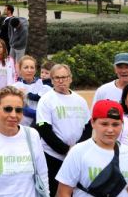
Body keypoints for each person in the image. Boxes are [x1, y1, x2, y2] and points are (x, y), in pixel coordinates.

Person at [56, 100, 128, 197]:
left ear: (122, 124)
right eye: (104, 124)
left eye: (115, 124)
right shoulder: (78, 152)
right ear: (92, 123)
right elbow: (63, 193)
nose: (110, 130)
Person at [36, 63, 92, 196]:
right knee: (55, 191)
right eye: (57, 78)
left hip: (76, 157)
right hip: (53, 156)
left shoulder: (80, 100)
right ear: (52, 80)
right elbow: (44, 129)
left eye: (64, 77)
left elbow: (88, 126)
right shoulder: (46, 100)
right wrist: (66, 150)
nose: (61, 81)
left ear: (70, 78)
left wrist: (77, 149)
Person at [12, 55, 51, 126]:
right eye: (26, 67)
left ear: (35, 70)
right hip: (20, 126)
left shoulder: (44, 85)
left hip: (39, 125)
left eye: (32, 67)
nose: (29, 70)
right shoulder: (14, 87)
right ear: (20, 70)